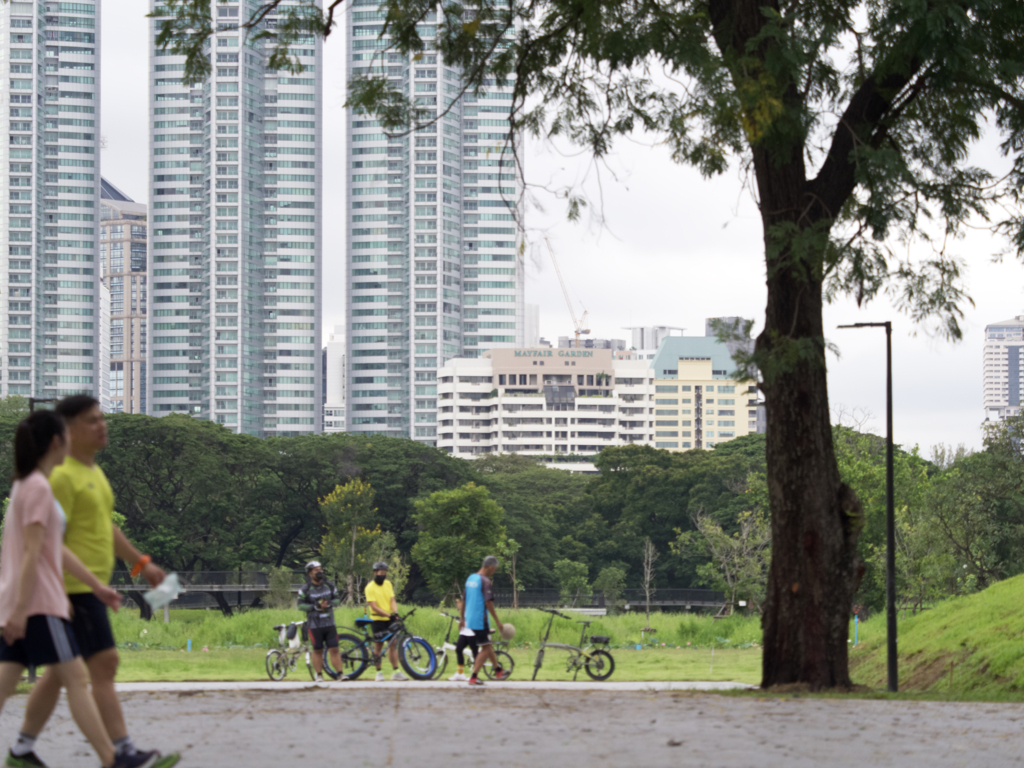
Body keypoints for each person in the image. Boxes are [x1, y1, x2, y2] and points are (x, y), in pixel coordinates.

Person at [15, 396, 177, 768]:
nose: (102, 425)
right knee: (104, 664)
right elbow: (48, 539)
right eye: (92, 421)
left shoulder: (95, 474)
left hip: (84, 587)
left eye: (102, 418)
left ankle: (22, 749)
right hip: (71, 588)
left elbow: (106, 527)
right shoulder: (61, 478)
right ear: (68, 430)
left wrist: (142, 562)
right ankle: (121, 751)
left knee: (60, 671)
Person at [462, 555, 511, 686]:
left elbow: (464, 599)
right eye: (494, 569)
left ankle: (498, 670)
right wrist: (498, 621)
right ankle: (473, 677)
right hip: (480, 619)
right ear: (490, 567)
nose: (493, 572)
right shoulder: (485, 581)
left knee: (487, 645)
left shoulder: (470, 578)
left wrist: (462, 618)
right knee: (485, 648)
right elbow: (488, 602)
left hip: (470, 618)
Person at [297, 561, 348, 682]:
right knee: (317, 650)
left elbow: (337, 600)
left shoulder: (329, 585)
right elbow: (300, 605)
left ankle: (340, 674)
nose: (319, 571)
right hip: (314, 626)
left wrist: (329, 604)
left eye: (320, 569)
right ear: (310, 574)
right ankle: (319, 675)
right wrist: (314, 607)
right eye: (316, 570)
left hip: (330, 624)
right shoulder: (305, 589)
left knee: (334, 649)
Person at [364, 561, 408, 681]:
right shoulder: (370, 587)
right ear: (375, 573)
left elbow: (392, 600)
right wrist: (388, 615)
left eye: (385, 573)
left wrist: (396, 613)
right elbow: (373, 606)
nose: (383, 575)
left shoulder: (388, 584)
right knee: (378, 646)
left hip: (389, 619)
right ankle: (379, 673)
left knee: (393, 645)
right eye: (380, 573)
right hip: (377, 620)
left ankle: (396, 672)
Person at [448, 598, 478, 682]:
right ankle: (460, 674)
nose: (459, 605)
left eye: (460, 603)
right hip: (464, 632)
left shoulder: (471, 605)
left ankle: (475, 675)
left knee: (475, 653)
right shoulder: (463, 609)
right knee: (458, 649)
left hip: (472, 632)